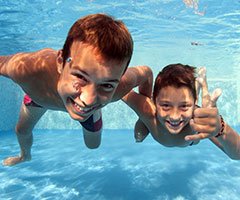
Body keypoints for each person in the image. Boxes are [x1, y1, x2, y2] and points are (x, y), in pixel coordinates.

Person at [0, 13, 153, 166]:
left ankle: (95, 110)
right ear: (60, 62)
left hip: (88, 112)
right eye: (80, 77)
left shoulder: (121, 86)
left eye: (107, 85)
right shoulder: (26, 70)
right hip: (38, 98)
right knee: (21, 131)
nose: (88, 100)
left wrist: (143, 118)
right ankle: (24, 156)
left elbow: (146, 73)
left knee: (93, 145)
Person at [123, 64, 240, 160]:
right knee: (138, 136)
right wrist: (143, 73)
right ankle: (195, 88)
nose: (175, 116)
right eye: (165, 105)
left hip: (191, 141)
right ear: (154, 101)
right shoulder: (147, 110)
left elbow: (237, 154)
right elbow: (119, 87)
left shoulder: (198, 118)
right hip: (153, 115)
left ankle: (199, 85)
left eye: (184, 106)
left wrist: (221, 129)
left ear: (194, 104)